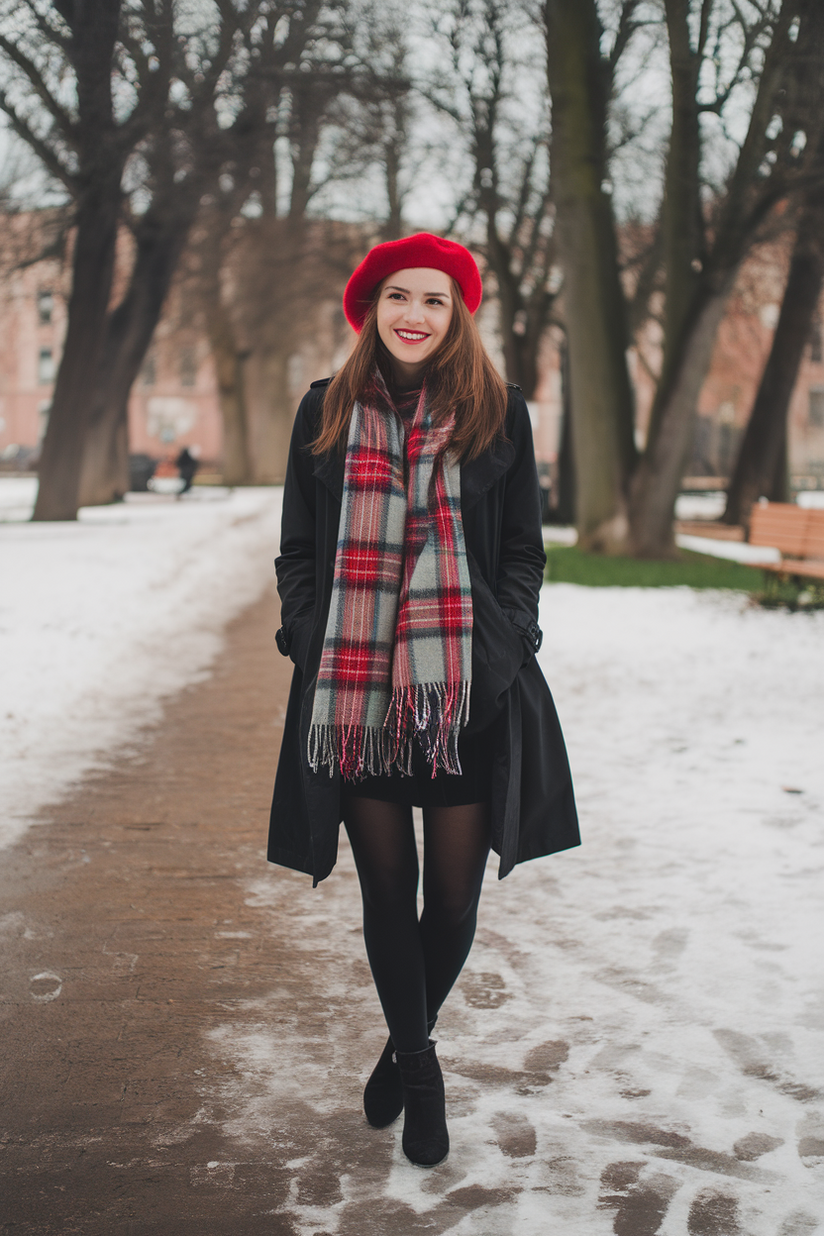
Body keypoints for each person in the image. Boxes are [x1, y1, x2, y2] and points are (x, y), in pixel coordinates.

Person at [268, 233, 579, 1167]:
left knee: (448, 902)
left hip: (463, 696)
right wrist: (310, 633)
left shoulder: (500, 413)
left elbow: (524, 550)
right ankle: (422, 1067)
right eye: (398, 296)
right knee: (386, 891)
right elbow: (297, 550)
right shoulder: (324, 412)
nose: (415, 314)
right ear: (371, 307)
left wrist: (502, 646)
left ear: (457, 315)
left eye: (435, 300)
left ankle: (399, 1048)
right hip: (357, 693)